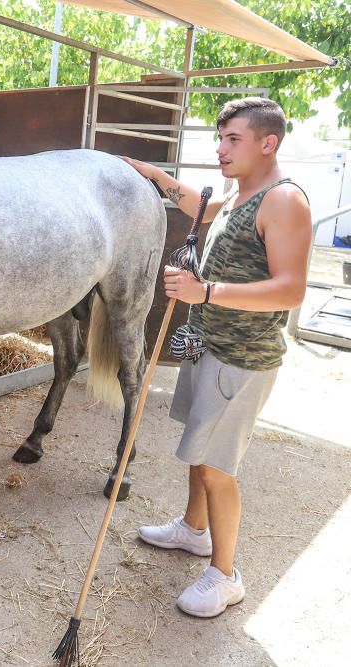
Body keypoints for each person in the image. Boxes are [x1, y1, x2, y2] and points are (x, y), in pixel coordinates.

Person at [119, 97, 311, 618]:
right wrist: (151, 174)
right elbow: (193, 201)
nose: (221, 149)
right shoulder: (239, 195)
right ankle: (193, 529)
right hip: (209, 345)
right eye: (220, 138)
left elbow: (291, 290)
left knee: (218, 467)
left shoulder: (284, 201)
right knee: (199, 449)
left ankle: (226, 576)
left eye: (234, 140)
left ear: (268, 143)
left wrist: (206, 293)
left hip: (243, 358)